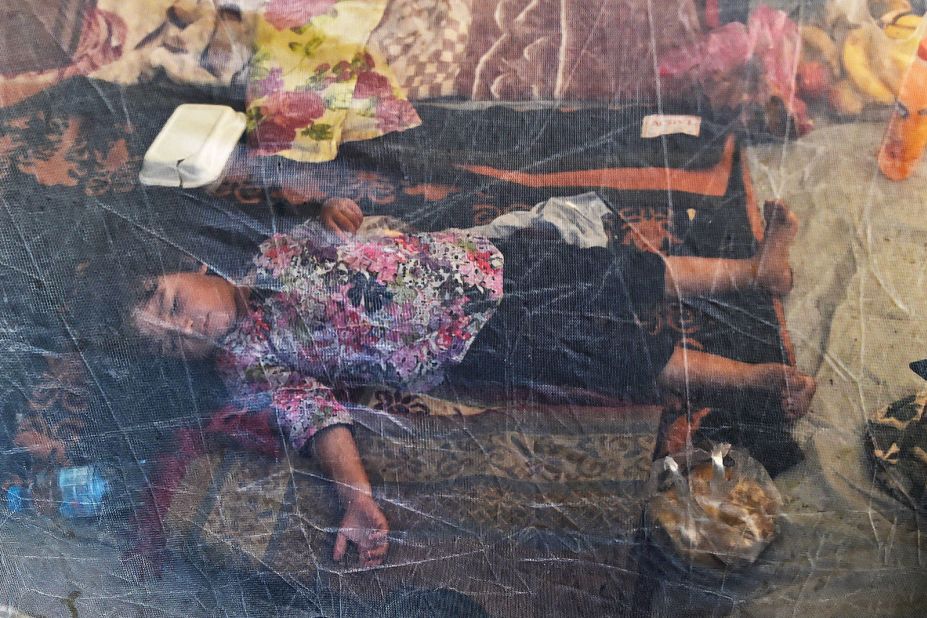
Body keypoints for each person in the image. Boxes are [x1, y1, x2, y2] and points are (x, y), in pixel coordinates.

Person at [126, 196, 815, 569]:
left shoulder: (269, 253)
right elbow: (315, 419)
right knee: (616, 352)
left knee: (625, 273)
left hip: (480, 265)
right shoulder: (252, 365)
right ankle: (754, 379)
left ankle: (754, 275)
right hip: (469, 342)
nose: (175, 323)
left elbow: (338, 227)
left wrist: (335, 215)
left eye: (162, 298)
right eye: (164, 339)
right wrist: (356, 497)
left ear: (189, 267)